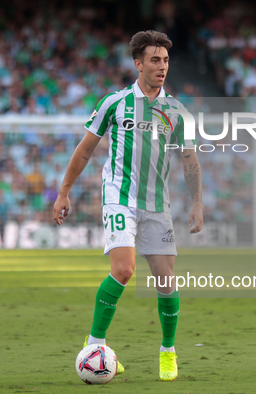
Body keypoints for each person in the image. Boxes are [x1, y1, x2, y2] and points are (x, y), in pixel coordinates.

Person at [53, 30, 203, 382]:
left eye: (165, 60)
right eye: (154, 60)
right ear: (138, 64)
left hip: (157, 204)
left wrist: (197, 202)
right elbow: (86, 149)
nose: (162, 66)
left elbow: (189, 158)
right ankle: (94, 347)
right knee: (123, 270)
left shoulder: (178, 111)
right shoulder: (115, 103)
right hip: (119, 197)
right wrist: (64, 191)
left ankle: (168, 353)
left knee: (166, 281)